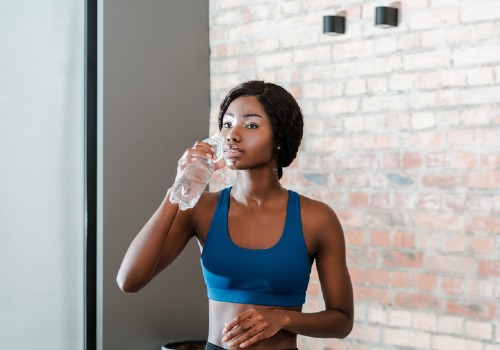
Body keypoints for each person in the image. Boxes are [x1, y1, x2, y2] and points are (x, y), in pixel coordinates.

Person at [117, 80, 354, 350]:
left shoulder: (317, 219)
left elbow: (342, 321)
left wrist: (283, 318)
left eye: (251, 125)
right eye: (228, 124)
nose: (232, 135)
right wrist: (180, 187)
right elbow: (129, 280)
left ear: (280, 137)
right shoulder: (200, 208)